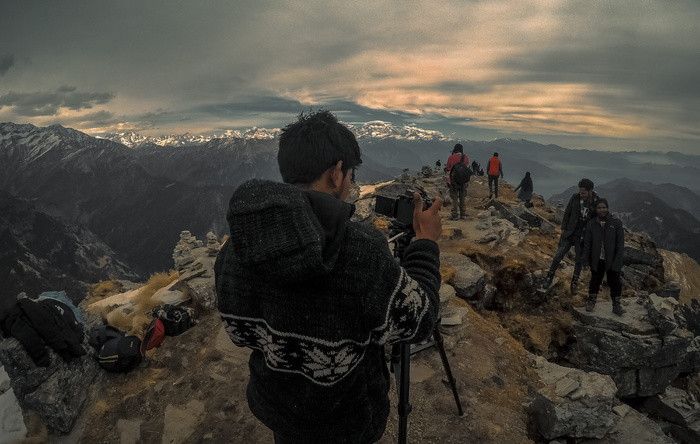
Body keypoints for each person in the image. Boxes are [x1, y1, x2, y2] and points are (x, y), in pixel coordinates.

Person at [214, 110, 443, 444]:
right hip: (346, 423)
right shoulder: (361, 251)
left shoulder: (236, 247)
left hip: (278, 410)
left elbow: (240, 332)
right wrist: (424, 245)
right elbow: (419, 321)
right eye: (350, 173)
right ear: (337, 174)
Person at [543, 178, 599, 293]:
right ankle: (549, 276)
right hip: (569, 232)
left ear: (590, 191)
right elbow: (567, 212)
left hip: (582, 236)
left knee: (578, 260)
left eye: (583, 192)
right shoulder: (575, 197)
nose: (581, 194)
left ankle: (574, 283)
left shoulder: (596, 202)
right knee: (558, 255)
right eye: (580, 191)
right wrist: (563, 228)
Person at [582, 198, 625, 315]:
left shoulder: (616, 223)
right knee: (595, 281)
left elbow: (620, 245)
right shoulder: (591, 224)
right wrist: (585, 260)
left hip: (612, 259)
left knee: (615, 282)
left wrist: (617, 261)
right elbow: (587, 244)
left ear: (607, 208)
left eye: (604, 207)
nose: (602, 210)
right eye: (599, 208)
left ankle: (616, 305)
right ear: (596, 209)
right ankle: (591, 300)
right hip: (597, 259)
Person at [444, 143, 470, 220]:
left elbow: (448, 167)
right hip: (463, 180)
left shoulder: (451, 157)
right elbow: (467, 166)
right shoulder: (465, 157)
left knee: (454, 197)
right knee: (462, 196)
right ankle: (463, 213)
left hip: (453, 180)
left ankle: (455, 213)